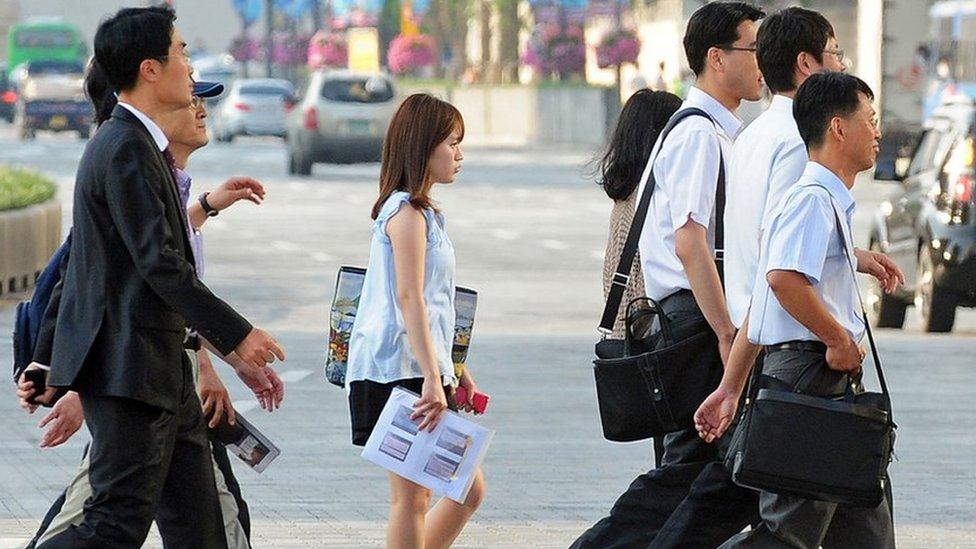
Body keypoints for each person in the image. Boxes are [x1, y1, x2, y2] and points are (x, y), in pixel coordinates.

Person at [18, 7, 284, 547]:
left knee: (201, 528)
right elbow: (159, 263)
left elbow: (98, 268)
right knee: (114, 522)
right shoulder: (124, 149)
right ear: (150, 69)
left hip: (160, 372)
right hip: (130, 373)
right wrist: (238, 336)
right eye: (182, 51)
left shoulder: (139, 149)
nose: (190, 64)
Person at [572, 3, 765, 547]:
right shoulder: (698, 135)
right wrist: (727, 332)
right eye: (752, 50)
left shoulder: (718, 132)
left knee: (697, 474)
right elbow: (689, 242)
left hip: (699, 319)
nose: (761, 63)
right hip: (696, 322)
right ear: (716, 58)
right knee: (688, 473)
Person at [696, 5, 903, 452]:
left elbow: (778, 249)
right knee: (780, 510)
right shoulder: (798, 146)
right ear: (807, 63)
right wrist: (837, 339)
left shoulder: (755, 133)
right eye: (835, 52)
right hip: (795, 355)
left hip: (767, 346)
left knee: (838, 504)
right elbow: (781, 270)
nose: (842, 62)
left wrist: (854, 257)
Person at [717, 71, 895, 548]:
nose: (877, 133)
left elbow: (761, 302)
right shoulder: (811, 200)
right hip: (810, 379)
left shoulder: (825, 202)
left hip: (826, 383)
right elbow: (781, 281)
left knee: (864, 531)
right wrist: (838, 338)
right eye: (870, 120)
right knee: (786, 536)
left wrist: (730, 389)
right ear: (839, 128)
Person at [344, 93, 485, 549]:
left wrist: (454, 371)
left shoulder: (425, 215)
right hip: (400, 370)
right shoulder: (405, 214)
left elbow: (434, 303)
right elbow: (409, 300)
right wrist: (431, 376)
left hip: (421, 367)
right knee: (412, 498)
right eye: (452, 143)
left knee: (466, 489)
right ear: (422, 148)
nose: (459, 154)